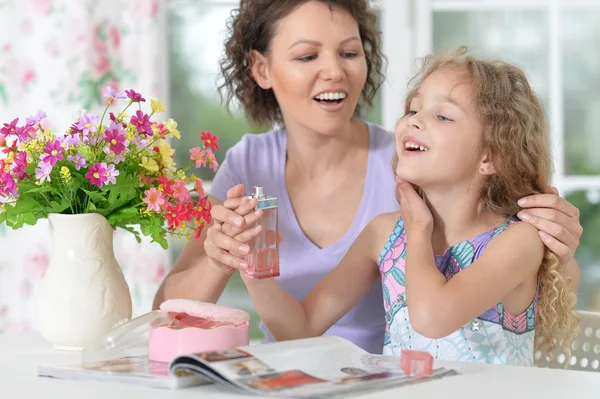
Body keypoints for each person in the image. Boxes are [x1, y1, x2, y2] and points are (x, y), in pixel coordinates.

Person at [153, 0, 583, 354]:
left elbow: (446, 314)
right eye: (307, 55)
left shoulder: (429, 193)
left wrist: (561, 253)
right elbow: (293, 328)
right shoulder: (255, 169)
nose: (335, 72)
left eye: (348, 52)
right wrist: (243, 261)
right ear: (261, 69)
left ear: (492, 154)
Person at [239, 48, 579, 365]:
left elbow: (433, 318)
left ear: (491, 156)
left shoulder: (518, 240)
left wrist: (418, 230)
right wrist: (250, 260)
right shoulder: (383, 234)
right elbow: (299, 328)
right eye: (413, 109)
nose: (413, 121)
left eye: (443, 116)